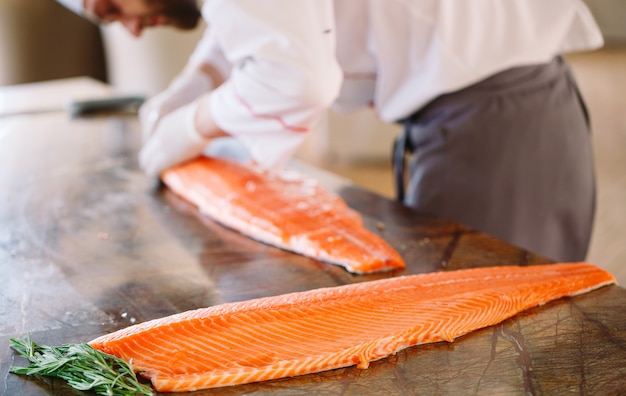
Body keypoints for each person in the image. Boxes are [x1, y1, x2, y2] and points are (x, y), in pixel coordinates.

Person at [57, 0, 604, 263]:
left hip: (502, 114)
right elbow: (267, 21)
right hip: (460, 109)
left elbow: (297, 76)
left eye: (112, 6)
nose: (128, 29)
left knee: (495, 350)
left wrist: (190, 124)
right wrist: (194, 82)